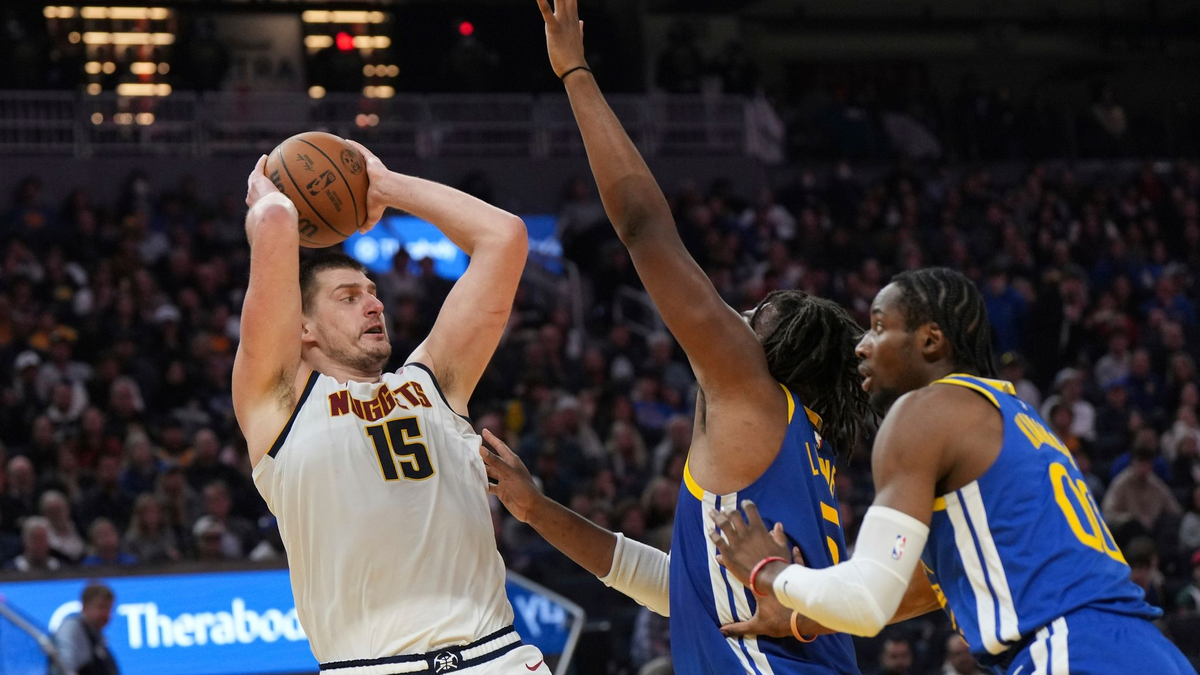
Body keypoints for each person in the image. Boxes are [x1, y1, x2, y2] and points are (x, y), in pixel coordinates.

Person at [482, 3, 940, 674]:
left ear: (770, 352)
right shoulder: (795, 463)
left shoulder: (753, 396)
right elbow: (668, 586)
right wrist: (537, 509)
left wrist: (575, 71)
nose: (731, 317)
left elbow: (643, 227)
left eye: (752, 318)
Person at [711, 267, 1194, 674]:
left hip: (1071, 651)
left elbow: (868, 599)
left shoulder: (924, 410)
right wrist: (804, 619)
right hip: (1144, 649)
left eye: (879, 326)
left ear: (930, 340)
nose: (862, 345)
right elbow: (925, 584)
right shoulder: (1009, 411)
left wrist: (767, 571)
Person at [234, 142, 545, 675]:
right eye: (348, 296)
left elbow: (503, 237)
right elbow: (278, 220)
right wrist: (268, 203)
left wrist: (385, 186)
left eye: (372, 292)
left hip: (494, 656)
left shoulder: (435, 383)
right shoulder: (279, 405)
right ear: (302, 328)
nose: (374, 303)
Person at [51, 583, 119, 675]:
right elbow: (64, 668)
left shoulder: (97, 637)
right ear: (85, 607)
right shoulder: (72, 629)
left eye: (108, 609)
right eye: (100, 607)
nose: (105, 614)